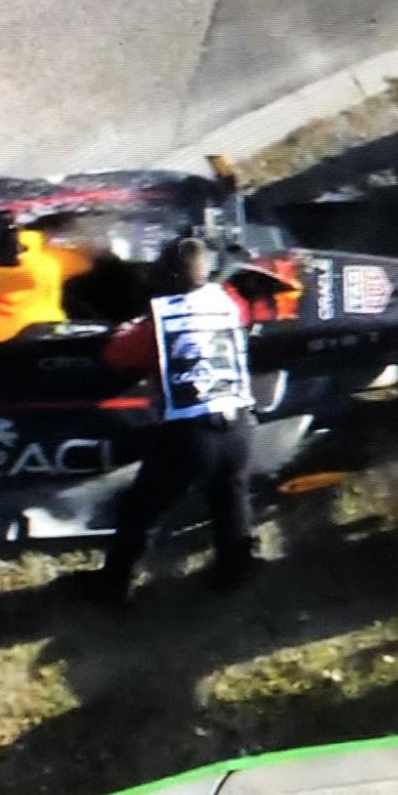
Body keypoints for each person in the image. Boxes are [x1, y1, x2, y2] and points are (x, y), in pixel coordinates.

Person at [88, 237, 260, 605]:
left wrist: (129, 326)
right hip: (239, 426)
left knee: (141, 509)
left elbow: (117, 356)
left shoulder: (161, 317)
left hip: (190, 435)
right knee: (230, 500)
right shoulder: (231, 302)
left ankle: (113, 586)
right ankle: (235, 573)